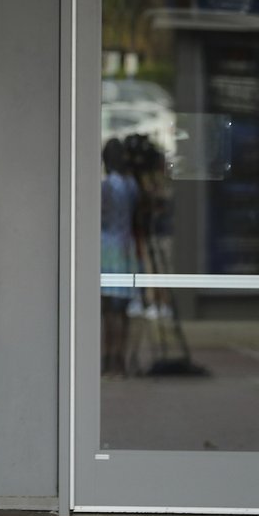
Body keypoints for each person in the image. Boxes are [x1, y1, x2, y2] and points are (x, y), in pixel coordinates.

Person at [100, 137, 140, 378]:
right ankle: (120, 358)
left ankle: (108, 356)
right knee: (121, 308)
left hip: (107, 248)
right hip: (126, 247)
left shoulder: (107, 186)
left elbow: (102, 217)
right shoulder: (131, 185)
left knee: (109, 310)